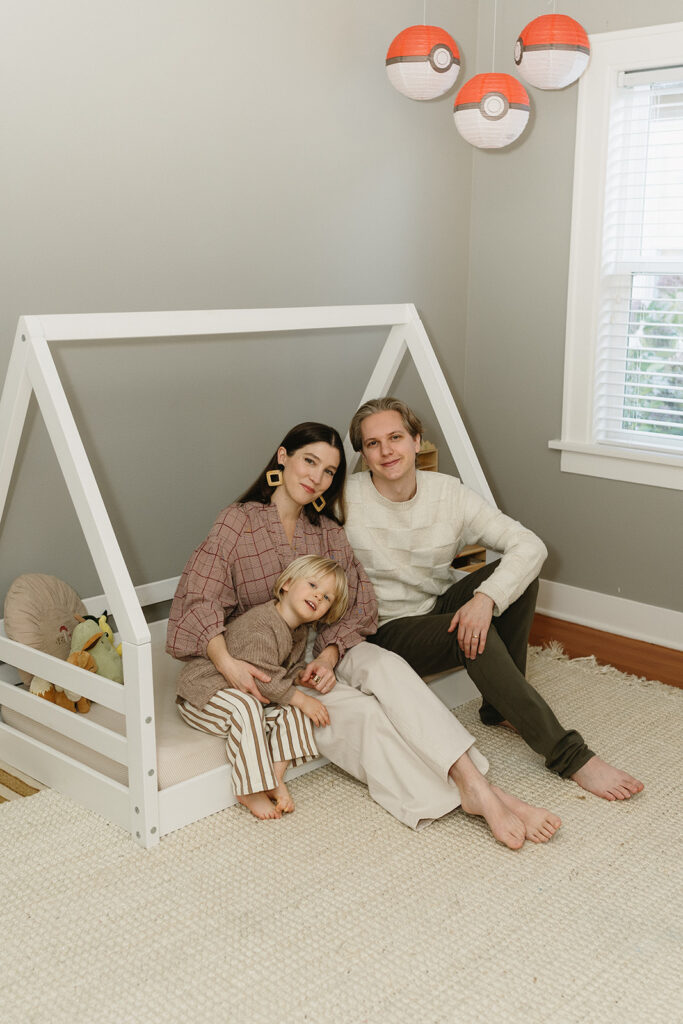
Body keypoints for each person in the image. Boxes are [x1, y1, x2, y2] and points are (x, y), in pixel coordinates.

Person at [168, 421, 562, 848]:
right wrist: (228, 664)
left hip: (321, 652)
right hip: (263, 665)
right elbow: (200, 598)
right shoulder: (237, 522)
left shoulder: (327, 532)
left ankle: (476, 785)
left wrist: (329, 656)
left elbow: (358, 603)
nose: (316, 477)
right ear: (283, 457)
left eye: (328, 471)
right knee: (364, 716)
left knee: (389, 670)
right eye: (309, 461)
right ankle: (481, 796)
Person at [344, 397, 644, 803]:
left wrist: (485, 597)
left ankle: (497, 707)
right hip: (385, 630)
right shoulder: (346, 498)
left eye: (395, 437)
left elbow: (529, 546)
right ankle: (568, 755)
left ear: (417, 441)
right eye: (373, 443)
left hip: (434, 605)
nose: (386, 451)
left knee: (515, 581)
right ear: (363, 454)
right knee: (471, 634)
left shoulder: (448, 493)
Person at [175, 554, 349, 819]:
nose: (318, 597)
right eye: (313, 586)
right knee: (251, 706)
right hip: (205, 693)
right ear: (287, 584)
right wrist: (302, 698)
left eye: (327, 597)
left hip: (246, 694)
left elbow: (283, 669)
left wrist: (300, 675)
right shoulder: (260, 624)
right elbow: (261, 678)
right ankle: (250, 789)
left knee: (294, 711)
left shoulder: (297, 630)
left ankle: (273, 779)